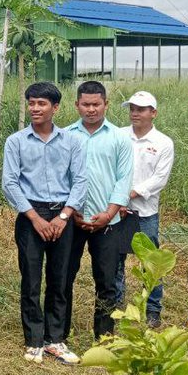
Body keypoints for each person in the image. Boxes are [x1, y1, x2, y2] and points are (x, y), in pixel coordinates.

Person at [2, 82, 88, 365]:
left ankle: (56, 339)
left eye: (41, 104)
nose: (35, 108)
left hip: (63, 215)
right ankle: (34, 339)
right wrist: (36, 218)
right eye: (31, 103)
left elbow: (80, 181)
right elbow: (10, 183)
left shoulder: (72, 141)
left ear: (56, 108)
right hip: (31, 216)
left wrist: (63, 217)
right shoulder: (16, 141)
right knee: (31, 279)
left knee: (60, 278)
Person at [63, 81, 134, 344]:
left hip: (108, 222)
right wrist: (71, 212)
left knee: (106, 281)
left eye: (96, 104)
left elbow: (124, 179)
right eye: (85, 104)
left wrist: (109, 212)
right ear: (76, 105)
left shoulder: (119, 138)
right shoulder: (66, 136)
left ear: (106, 105)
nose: (91, 109)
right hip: (72, 220)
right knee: (64, 277)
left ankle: (104, 336)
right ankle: (59, 334)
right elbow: (62, 178)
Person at [117, 91, 175, 328]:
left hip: (145, 210)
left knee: (151, 261)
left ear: (154, 113)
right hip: (116, 210)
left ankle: (152, 309)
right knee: (115, 257)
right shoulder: (119, 135)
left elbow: (159, 179)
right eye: (132, 108)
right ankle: (117, 303)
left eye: (140, 109)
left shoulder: (163, 142)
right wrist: (116, 199)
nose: (134, 113)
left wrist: (129, 194)